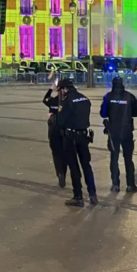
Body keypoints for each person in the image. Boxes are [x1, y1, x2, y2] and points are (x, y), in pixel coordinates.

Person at [56, 79, 97, 207]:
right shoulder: (84, 98)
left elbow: (60, 121)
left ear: (64, 89)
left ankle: (78, 196)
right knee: (86, 166)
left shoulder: (66, 101)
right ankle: (92, 194)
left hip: (71, 137)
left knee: (74, 167)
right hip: (83, 136)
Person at [100, 77, 137, 193]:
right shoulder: (129, 96)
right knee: (128, 159)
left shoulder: (108, 97)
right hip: (127, 131)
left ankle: (115, 185)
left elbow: (103, 114)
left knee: (114, 158)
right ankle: (130, 185)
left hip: (113, 132)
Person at [43, 82, 67, 188]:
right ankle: (64, 174)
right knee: (64, 154)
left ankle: (60, 174)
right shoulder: (66, 102)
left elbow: (45, 99)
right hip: (65, 131)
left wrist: (50, 89)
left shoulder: (52, 101)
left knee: (56, 154)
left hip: (53, 131)